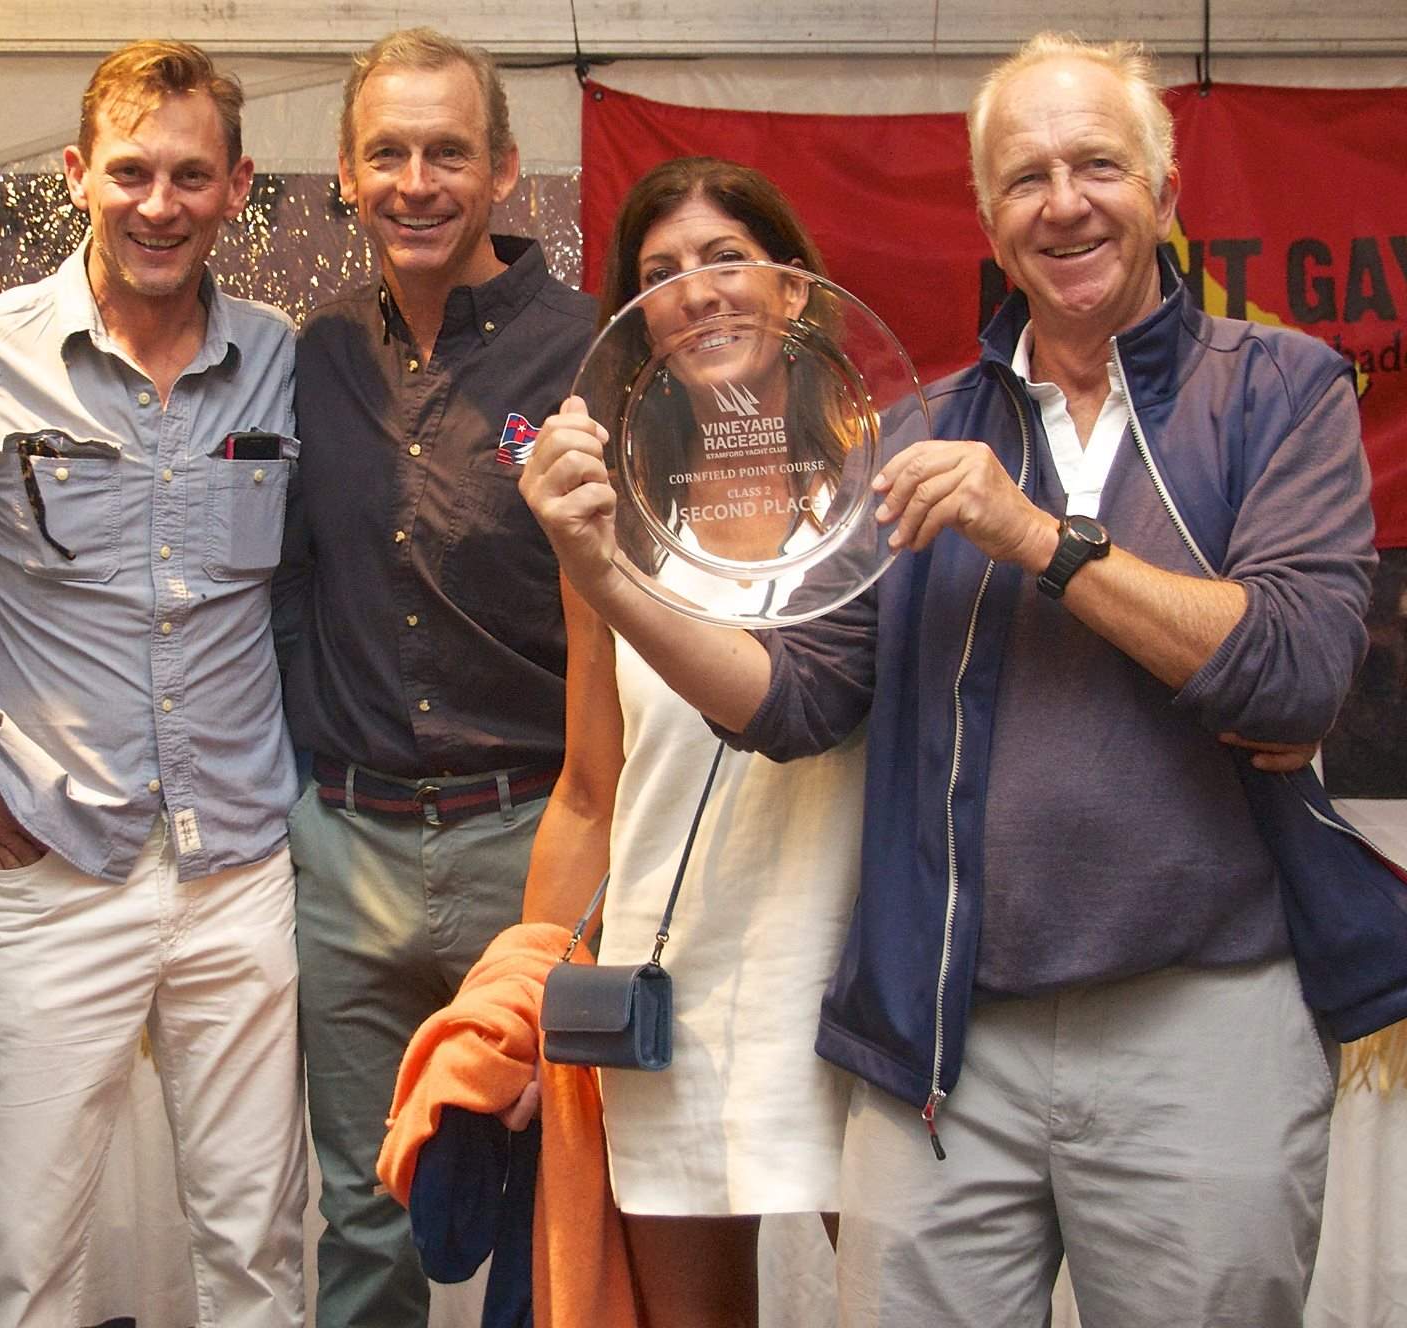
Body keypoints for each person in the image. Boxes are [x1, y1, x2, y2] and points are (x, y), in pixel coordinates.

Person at [521, 32, 1377, 1326]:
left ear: (1163, 189)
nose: (1063, 202)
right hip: (944, 1037)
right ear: (989, 221)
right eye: (1025, 178)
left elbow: (1296, 675)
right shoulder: (924, 433)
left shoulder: (1276, 390)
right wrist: (605, 574)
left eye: (1097, 166)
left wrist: (1038, 537)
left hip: (1198, 1014)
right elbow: (796, 700)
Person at [0, 40, 305, 1328]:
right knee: (17, 1259)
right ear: (76, 173)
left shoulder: (285, 359)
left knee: (259, 1248)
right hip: (51, 859)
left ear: (237, 186)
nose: (157, 203)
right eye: (130, 171)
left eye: (190, 174)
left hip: (240, 869)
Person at [273, 27, 596, 1327]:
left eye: (447, 153)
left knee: (558, 1202)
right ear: (347, 174)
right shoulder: (310, 358)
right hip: (344, 847)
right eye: (387, 154)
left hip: (533, 841)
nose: (416, 182)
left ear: (503, 169)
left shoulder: (590, 353)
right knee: (365, 1216)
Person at [519, 157, 859, 1328]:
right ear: (638, 323)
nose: (696, 291)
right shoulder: (610, 532)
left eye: (725, 258)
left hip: (851, 992)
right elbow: (587, 789)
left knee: (911, 1299)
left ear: (794, 290)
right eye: (660, 275)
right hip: (670, 997)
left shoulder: (873, 506)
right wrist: (526, 992)